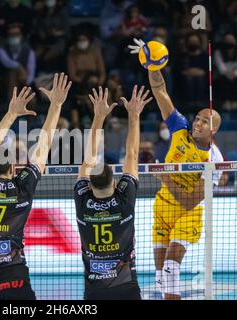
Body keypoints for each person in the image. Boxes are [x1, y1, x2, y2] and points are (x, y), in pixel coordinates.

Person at [129, 39, 223, 300]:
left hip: (188, 213)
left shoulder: (213, 158)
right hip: (162, 206)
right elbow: (160, 91)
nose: (197, 123)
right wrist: (151, 63)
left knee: (171, 268)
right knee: (160, 275)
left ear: (213, 130)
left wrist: (166, 177)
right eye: (197, 118)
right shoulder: (179, 128)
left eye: (204, 122)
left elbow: (190, 201)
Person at [0, 72, 71, 300]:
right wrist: (55, 106)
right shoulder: (21, 189)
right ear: (13, 169)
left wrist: (11, 113)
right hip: (15, 276)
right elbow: (42, 149)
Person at [74, 85, 152, 300]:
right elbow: (132, 154)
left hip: (95, 291)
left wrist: (98, 117)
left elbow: (88, 158)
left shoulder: (82, 199)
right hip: (126, 286)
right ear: (116, 183)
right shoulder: (124, 199)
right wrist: (134, 115)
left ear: (89, 185)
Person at [0, 24, 36, 100]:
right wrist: (19, 67)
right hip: (4, 80)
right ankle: (12, 103)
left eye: (16, 34)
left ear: (21, 36)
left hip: (24, 80)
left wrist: (25, 80)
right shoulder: (1, 48)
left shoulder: (29, 51)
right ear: (8, 37)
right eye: (11, 35)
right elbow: (6, 61)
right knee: (13, 72)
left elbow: (31, 70)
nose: (14, 37)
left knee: (31, 100)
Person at [214, 33, 237, 110]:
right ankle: (226, 102)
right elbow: (220, 65)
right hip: (223, 74)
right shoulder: (218, 52)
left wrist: (235, 74)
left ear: (235, 41)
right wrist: (226, 73)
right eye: (227, 40)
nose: (229, 42)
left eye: (231, 40)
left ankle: (236, 102)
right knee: (223, 81)